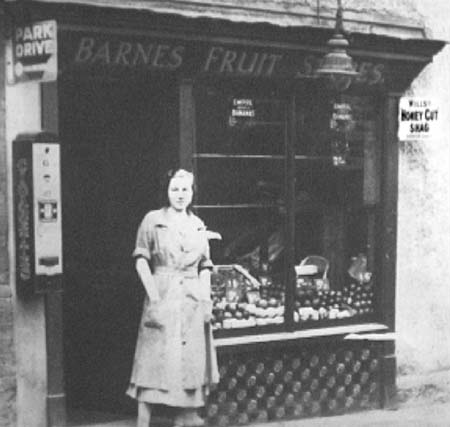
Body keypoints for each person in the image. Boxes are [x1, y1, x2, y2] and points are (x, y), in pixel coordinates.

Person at [127, 169, 219, 427]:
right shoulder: (152, 220)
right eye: (175, 189)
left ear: (193, 193)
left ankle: (185, 417)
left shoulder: (198, 224)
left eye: (185, 189)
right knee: (153, 358)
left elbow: (205, 266)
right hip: (163, 292)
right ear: (166, 192)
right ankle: (142, 422)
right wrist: (154, 297)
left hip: (191, 298)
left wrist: (205, 301)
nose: (180, 195)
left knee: (187, 360)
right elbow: (141, 261)